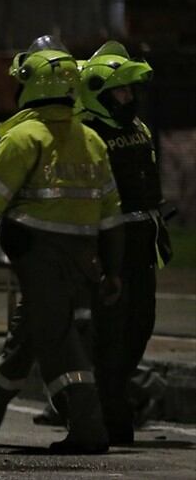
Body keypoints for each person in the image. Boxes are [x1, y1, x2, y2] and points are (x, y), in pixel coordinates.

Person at [0, 36, 124, 454]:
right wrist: (114, 269)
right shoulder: (90, 139)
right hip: (85, 255)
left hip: (39, 256)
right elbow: (112, 212)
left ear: (32, 86)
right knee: (30, 332)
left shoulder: (23, 139)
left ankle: (88, 424)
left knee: (58, 338)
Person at [79, 41, 172, 444]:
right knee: (112, 334)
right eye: (121, 90)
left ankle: (106, 401)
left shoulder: (139, 131)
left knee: (141, 325)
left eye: (130, 90)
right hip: (109, 248)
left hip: (143, 246)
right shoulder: (87, 134)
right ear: (99, 92)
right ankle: (113, 420)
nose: (128, 97)